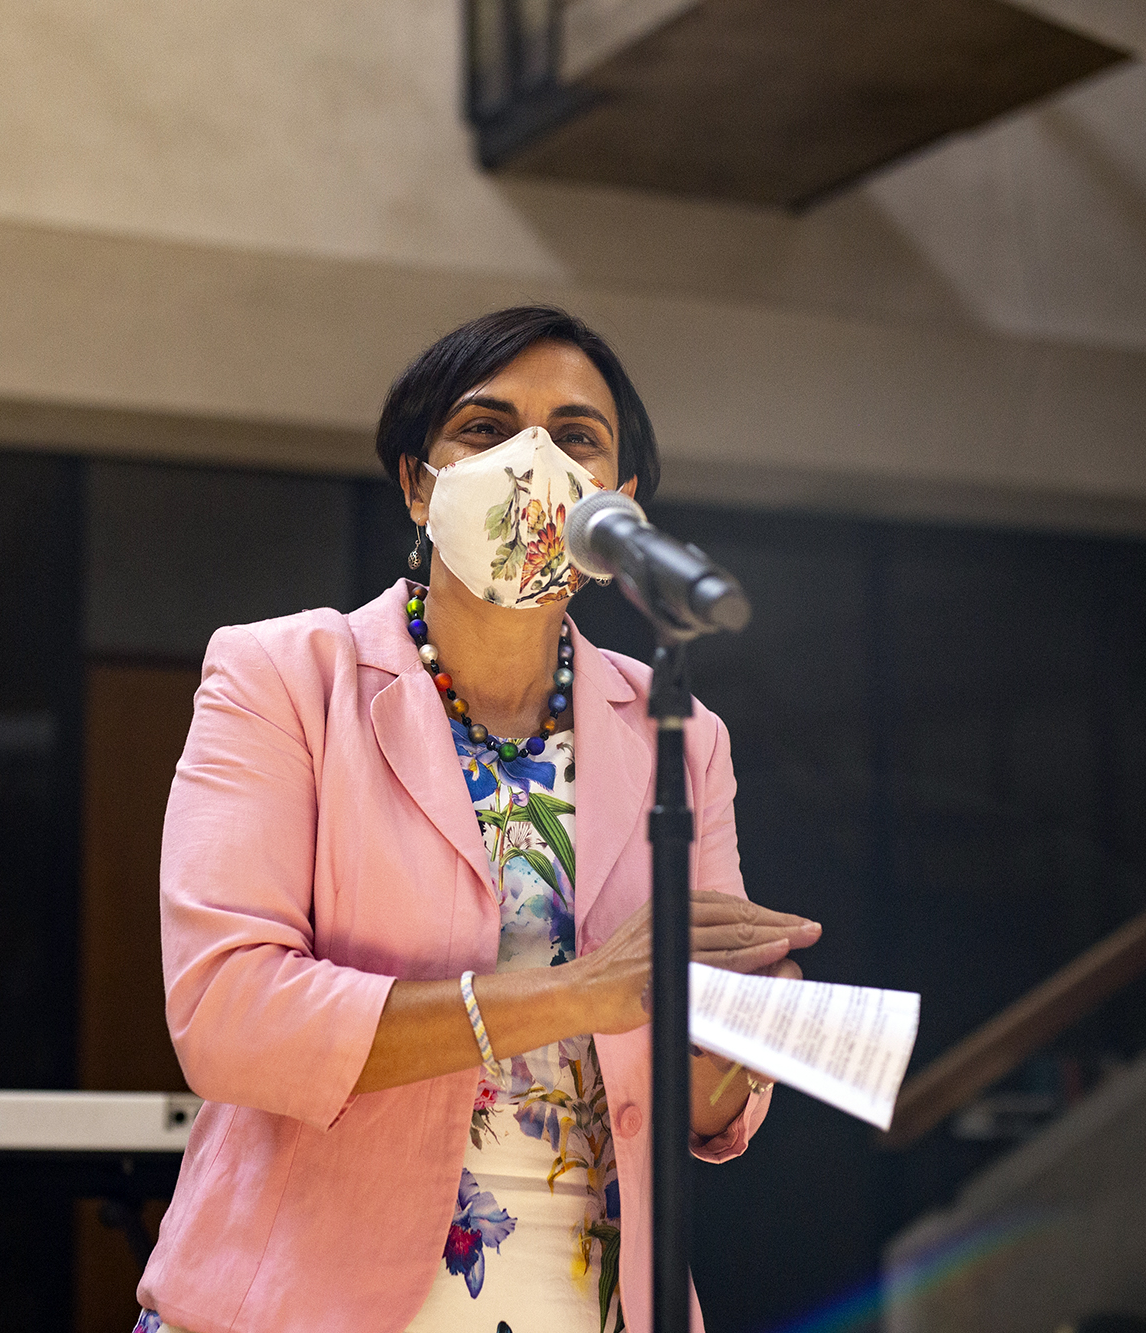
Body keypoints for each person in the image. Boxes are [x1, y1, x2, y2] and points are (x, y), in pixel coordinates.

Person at [133, 307, 822, 1333]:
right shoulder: (280, 677)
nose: (530, 462)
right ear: (417, 482)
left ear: (619, 505)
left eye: (574, 437)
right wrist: (578, 992)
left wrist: (745, 1031)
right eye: (485, 428)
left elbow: (694, 1104)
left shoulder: (681, 731)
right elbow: (229, 1016)